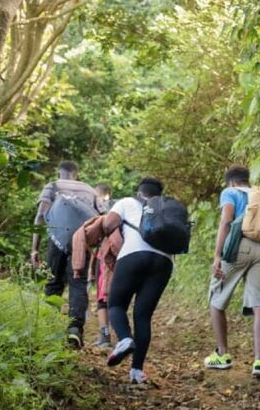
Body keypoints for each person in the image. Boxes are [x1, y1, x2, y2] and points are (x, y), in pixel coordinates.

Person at [100, 178, 175, 384]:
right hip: (164, 262)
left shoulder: (126, 202)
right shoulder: (167, 208)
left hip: (133, 255)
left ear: (138, 191)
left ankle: (124, 338)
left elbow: (107, 224)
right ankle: (136, 371)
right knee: (143, 315)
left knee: (116, 304)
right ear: (160, 194)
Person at [203, 165, 260, 379]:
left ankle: (223, 355)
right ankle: (259, 361)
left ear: (231, 182)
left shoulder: (230, 193)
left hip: (238, 247)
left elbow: (226, 221)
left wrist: (218, 255)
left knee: (217, 298)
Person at [32, 160, 104, 348]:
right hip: (81, 241)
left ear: (59, 172)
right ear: (76, 174)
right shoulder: (90, 190)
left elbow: (41, 215)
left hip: (56, 241)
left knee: (53, 282)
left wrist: (35, 248)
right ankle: (74, 330)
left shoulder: (52, 186)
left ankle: (50, 327)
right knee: (78, 283)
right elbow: (103, 218)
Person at [93, 182, 114, 348]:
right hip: (123, 255)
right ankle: (123, 335)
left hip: (105, 256)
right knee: (115, 297)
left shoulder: (100, 208)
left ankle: (105, 334)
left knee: (102, 296)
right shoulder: (118, 209)